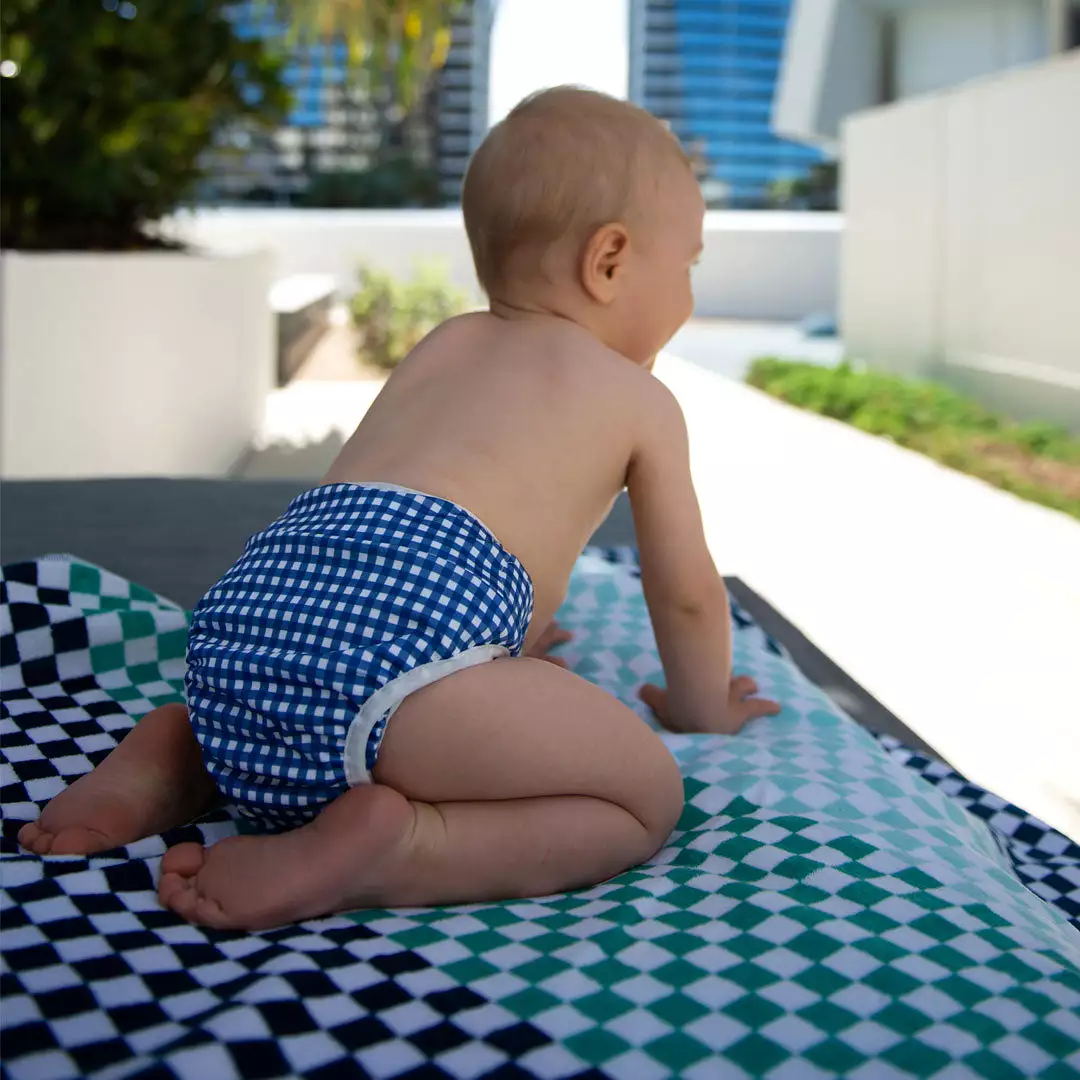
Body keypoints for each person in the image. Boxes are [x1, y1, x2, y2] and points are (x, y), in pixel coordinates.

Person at [19, 87, 780, 929]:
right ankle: (400, 845)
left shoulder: (445, 344)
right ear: (609, 261)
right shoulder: (638, 399)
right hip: (393, 668)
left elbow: (384, 514)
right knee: (643, 799)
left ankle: (181, 752)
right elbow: (683, 593)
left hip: (240, 628)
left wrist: (497, 645)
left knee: (309, 696)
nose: (690, 295)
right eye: (689, 266)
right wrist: (703, 704)